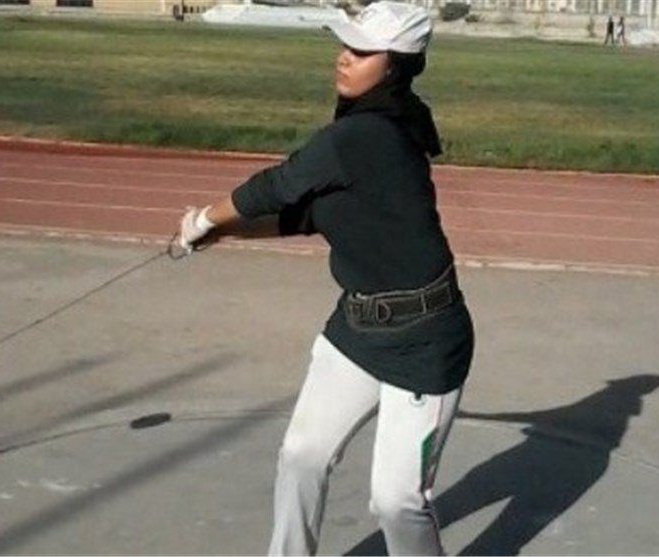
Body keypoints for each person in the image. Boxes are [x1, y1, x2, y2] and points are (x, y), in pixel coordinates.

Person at [177, 2, 475, 555]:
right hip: (356, 330)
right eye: (345, 46)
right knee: (301, 455)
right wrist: (225, 233)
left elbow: (276, 186)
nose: (344, 57)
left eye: (361, 51)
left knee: (396, 502)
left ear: (394, 65)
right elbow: (305, 214)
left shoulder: (366, 136)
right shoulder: (372, 130)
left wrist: (203, 219)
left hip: (425, 339)